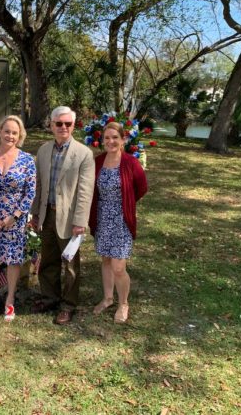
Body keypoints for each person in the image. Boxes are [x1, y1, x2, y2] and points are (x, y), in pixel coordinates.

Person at [30, 106, 95, 325]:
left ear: (73, 126)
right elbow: (38, 185)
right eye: (59, 123)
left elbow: (85, 191)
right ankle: (50, 297)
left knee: (70, 265)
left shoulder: (84, 154)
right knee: (48, 260)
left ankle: (68, 305)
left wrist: (80, 221)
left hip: (69, 219)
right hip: (46, 214)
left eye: (68, 124)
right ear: (51, 125)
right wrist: (35, 213)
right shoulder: (43, 150)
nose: (63, 127)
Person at [0, 116, 36, 322]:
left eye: (14, 133)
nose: (10, 136)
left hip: (15, 218)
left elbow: (30, 192)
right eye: (7, 131)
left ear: (20, 136)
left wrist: (16, 215)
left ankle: (10, 299)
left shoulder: (27, 159)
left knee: (13, 259)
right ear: (0, 131)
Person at [88, 122, 148, 324]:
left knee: (118, 266)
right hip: (103, 217)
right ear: (102, 141)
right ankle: (107, 298)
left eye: (115, 137)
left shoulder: (131, 163)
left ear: (123, 140)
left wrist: (127, 202)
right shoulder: (98, 162)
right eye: (107, 138)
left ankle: (124, 304)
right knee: (105, 260)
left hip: (122, 219)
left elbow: (142, 187)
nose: (111, 141)